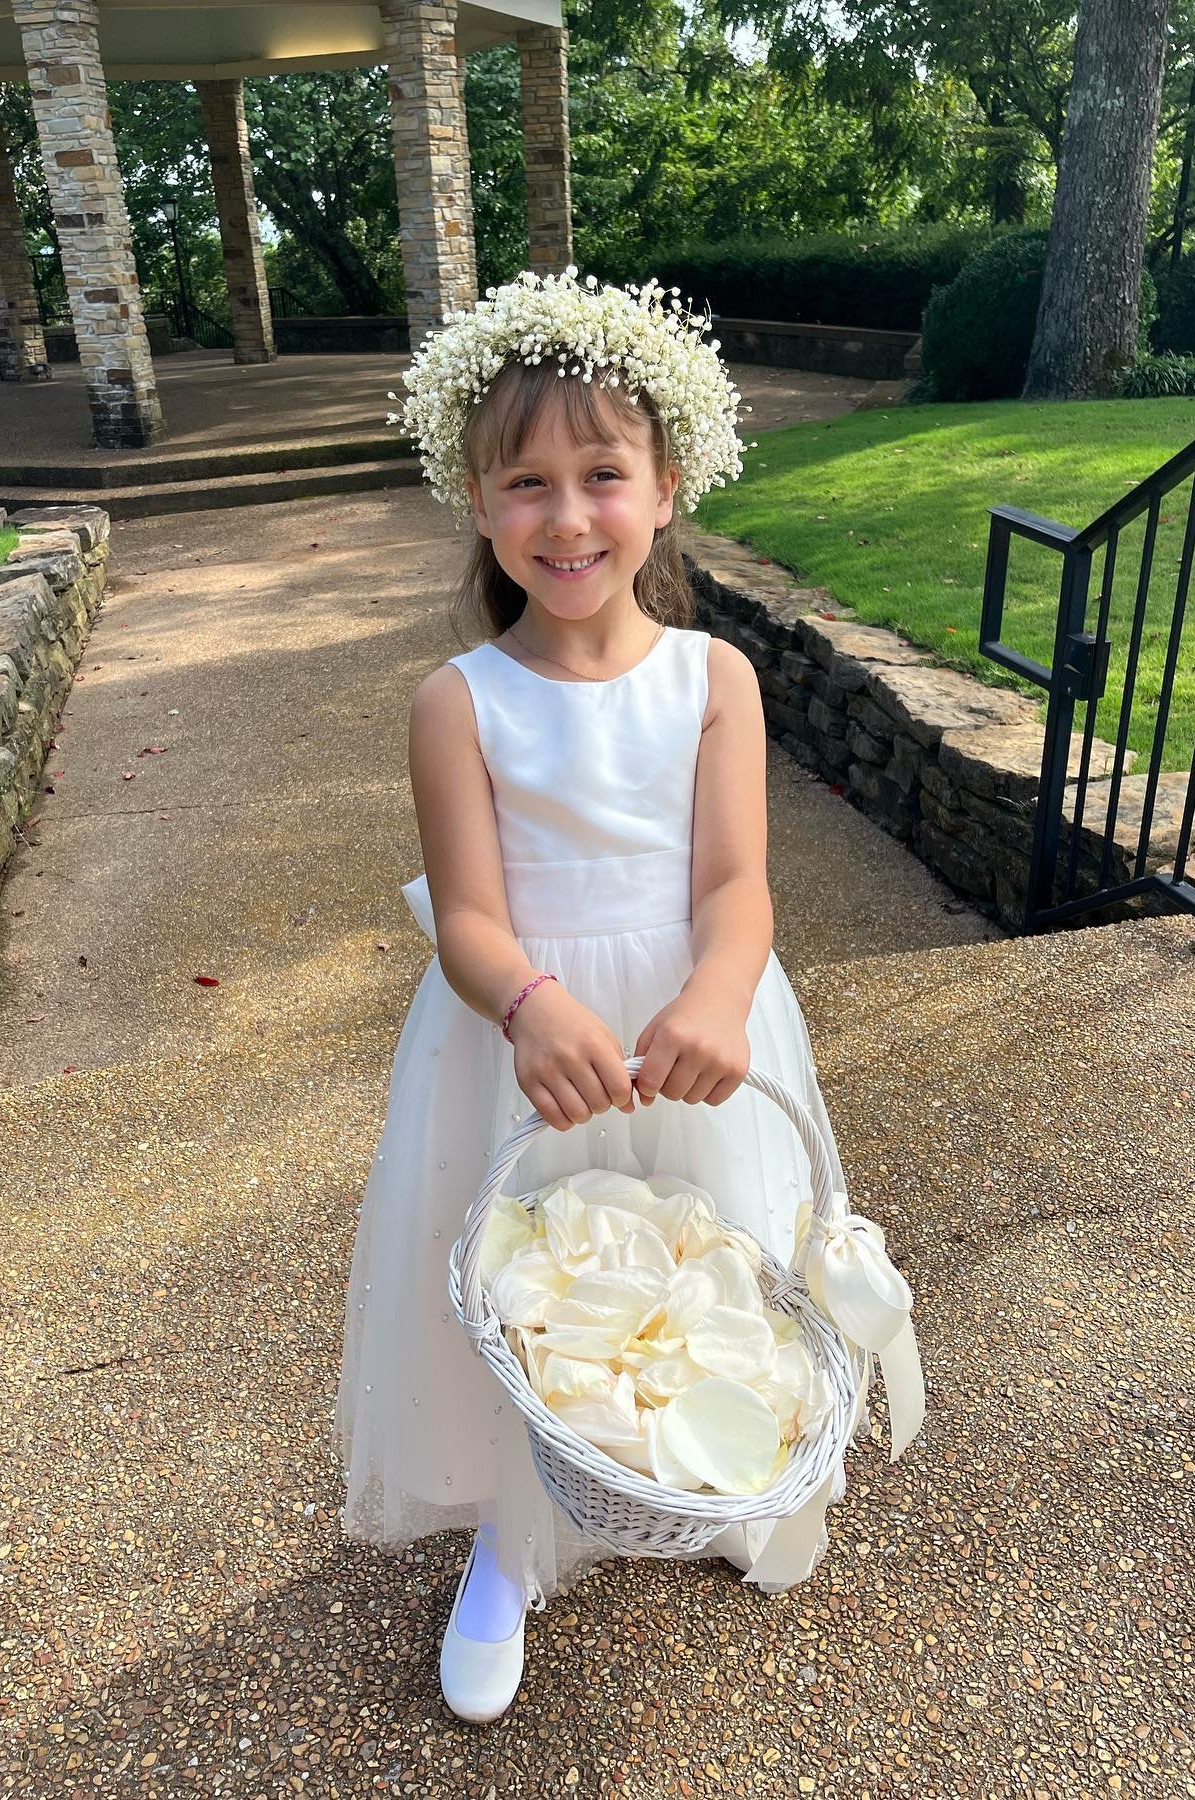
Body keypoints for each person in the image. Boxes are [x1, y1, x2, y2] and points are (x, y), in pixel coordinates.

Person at [330, 268, 853, 1725]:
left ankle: (722, 1463)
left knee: (711, 1256)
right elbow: (471, 919)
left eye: (602, 476)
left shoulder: (713, 678)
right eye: (526, 483)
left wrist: (723, 991)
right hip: (527, 1033)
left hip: (692, 1017)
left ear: (667, 487)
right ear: (480, 503)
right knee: (528, 1280)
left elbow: (737, 883)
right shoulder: (459, 700)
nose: (567, 518)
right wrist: (527, 1002)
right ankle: (514, 1533)